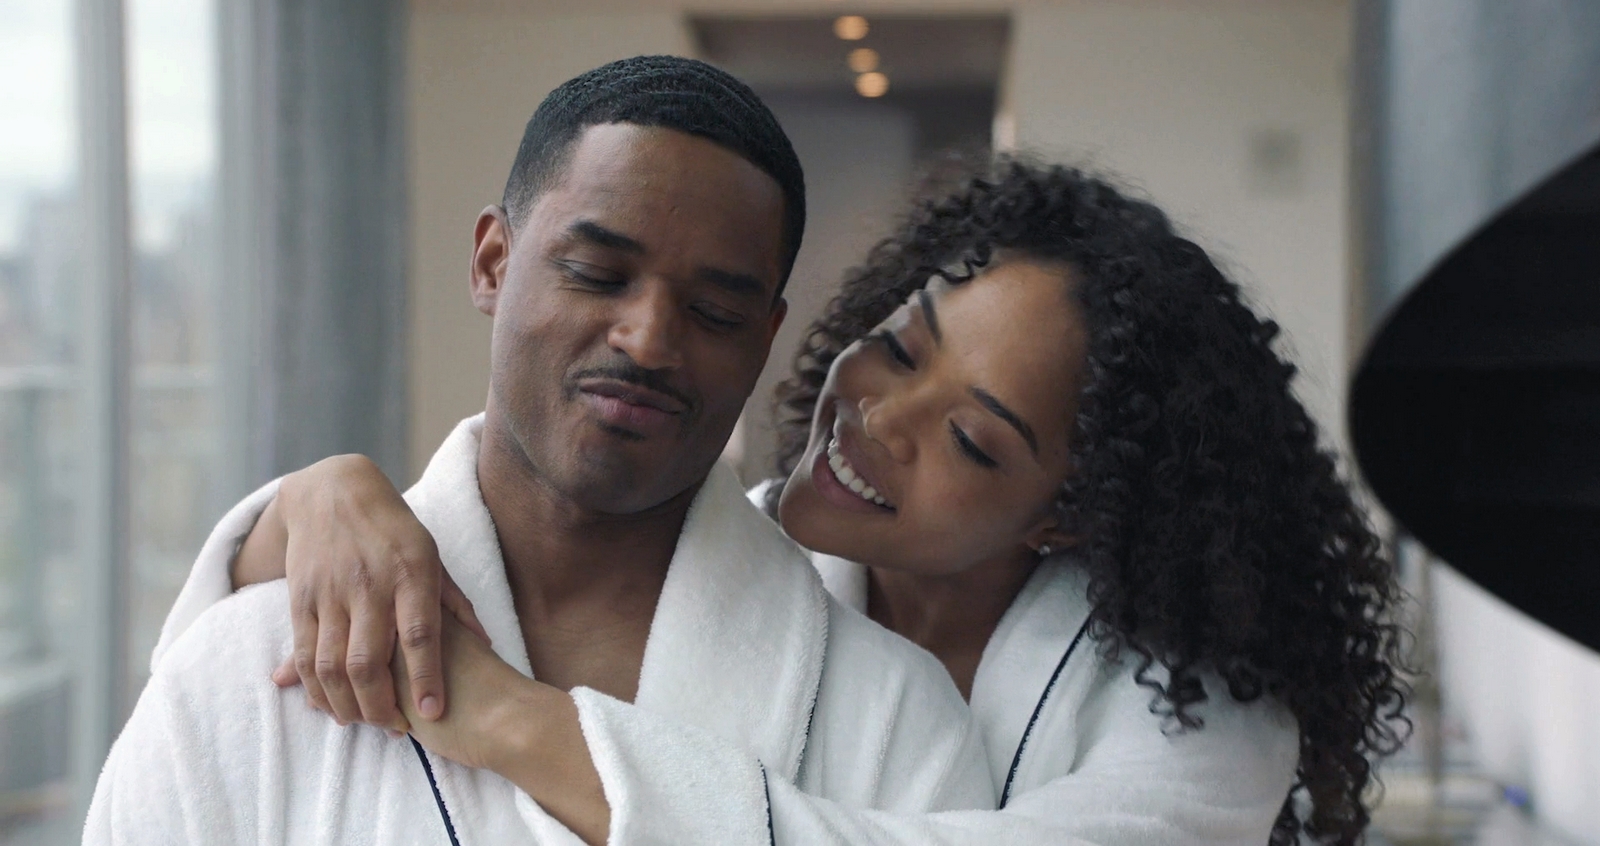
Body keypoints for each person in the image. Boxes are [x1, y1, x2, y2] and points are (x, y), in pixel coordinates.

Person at [161, 158, 1411, 845]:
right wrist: (319, 501)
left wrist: (493, 712)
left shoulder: (1199, 710)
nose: (878, 418)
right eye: (900, 347)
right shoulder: (743, 564)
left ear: (1066, 516)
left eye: (971, 441)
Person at [83, 56, 997, 845]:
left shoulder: (892, 719)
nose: (648, 338)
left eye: (715, 311)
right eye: (597, 273)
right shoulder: (250, 665)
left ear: (764, 337)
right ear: (492, 261)